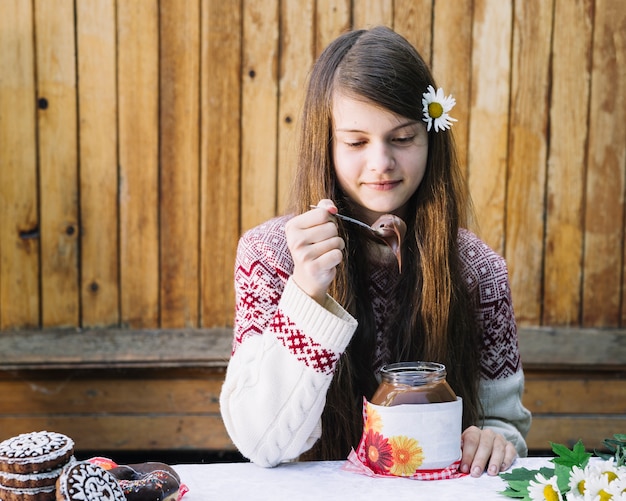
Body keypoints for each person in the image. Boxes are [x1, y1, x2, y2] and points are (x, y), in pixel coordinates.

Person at [219, 26, 531, 478]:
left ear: (431, 139)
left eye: (402, 138)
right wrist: (306, 296)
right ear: (324, 144)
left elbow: (506, 426)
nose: (381, 163)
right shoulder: (272, 255)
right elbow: (260, 442)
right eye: (356, 142)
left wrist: (494, 441)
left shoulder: (476, 270)